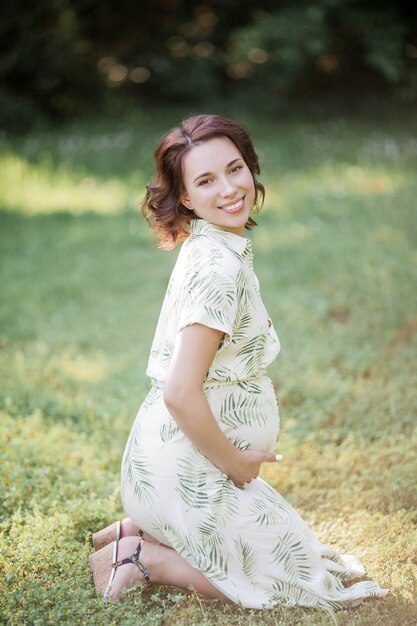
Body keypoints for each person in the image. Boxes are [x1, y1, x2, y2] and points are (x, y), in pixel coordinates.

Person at [89, 114, 388, 610]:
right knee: (297, 585)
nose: (230, 188)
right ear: (185, 197)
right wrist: (237, 464)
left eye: (235, 168)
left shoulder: (209, 244)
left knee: (302, 553)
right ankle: (144, 556)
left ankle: (144, 524)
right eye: (206, 180)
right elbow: (180, 391)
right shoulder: (217, 267)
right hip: (191, 471)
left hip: (173, 465)